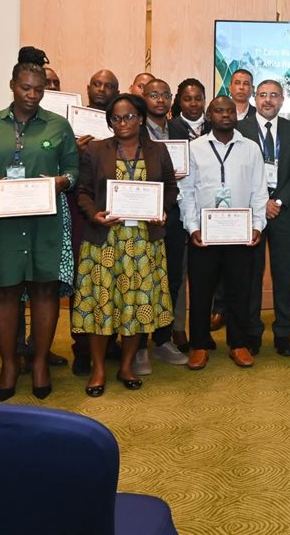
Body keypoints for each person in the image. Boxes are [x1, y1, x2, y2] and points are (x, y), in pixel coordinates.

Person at [0, 61, 79, 401]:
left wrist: (62, 181)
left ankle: (39, 363)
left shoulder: (58, 125)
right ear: (12, 85)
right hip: (2, 221)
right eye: (25, 88)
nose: (32, 95)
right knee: (4, 291)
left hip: (45, 220)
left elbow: (73, 169)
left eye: (39, 89)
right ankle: (8, 364)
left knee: (44, 290)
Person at [73, 93, 177, 395]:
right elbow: (83, 191)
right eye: (116, 118)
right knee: (101, 306)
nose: (122, 123)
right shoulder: (96, 150)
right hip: (105, 241)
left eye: (129, 116)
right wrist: (94, 214)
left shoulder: (158, 151)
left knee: (137, 305)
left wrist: (162, 210)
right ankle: (98, 369)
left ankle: (127, 366)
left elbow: (170, 188)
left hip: (144, 241)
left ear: (141, 118)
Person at [180, 96, 268, 370]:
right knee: (201, 292)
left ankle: (238, 344)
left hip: (239, 233)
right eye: (219, 111)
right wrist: (193, 227)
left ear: (236, 115)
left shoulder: (251, 148)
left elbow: (259, 191)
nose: (226, 115)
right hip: (204, 235)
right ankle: (199, 345)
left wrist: (257, 225)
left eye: (230, 111)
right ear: (209, 115)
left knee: (240, 290)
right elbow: (186, 192)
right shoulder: (194, 148)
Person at [236, 79, 290, 357]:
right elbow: (238, 171)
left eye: (274, 95)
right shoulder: (240, 129)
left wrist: (278, 200)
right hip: (252, 211)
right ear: (255, 98)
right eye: (263, 95)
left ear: (282, 100)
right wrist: (262, 202)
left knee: (284, 276)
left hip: (284, 212)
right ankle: (252, 333)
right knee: (251, 276)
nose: (268, 100)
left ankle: (283, 333)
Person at [133, 78, 190, 371]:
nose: (159, 100)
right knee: (143, 279)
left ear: (170, 99)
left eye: (164, 95)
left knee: (172, 279)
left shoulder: (180, 130)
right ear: (144, 98)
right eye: (153, 94)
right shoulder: (134, 129)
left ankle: (163, 340)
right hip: (142, 215)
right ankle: (138, 346)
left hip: (174, 213)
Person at [66, 69, 121, 376]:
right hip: (82, 209)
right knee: (84, 281)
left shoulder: (122, 125)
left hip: (116, 211)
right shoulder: (68, 123)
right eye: (97, 84)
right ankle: (82, 348)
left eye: (109, 85)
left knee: (114, 277)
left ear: (117, 91)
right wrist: (73, 151)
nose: (102, 89)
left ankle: (109, 341)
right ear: (87, 88)